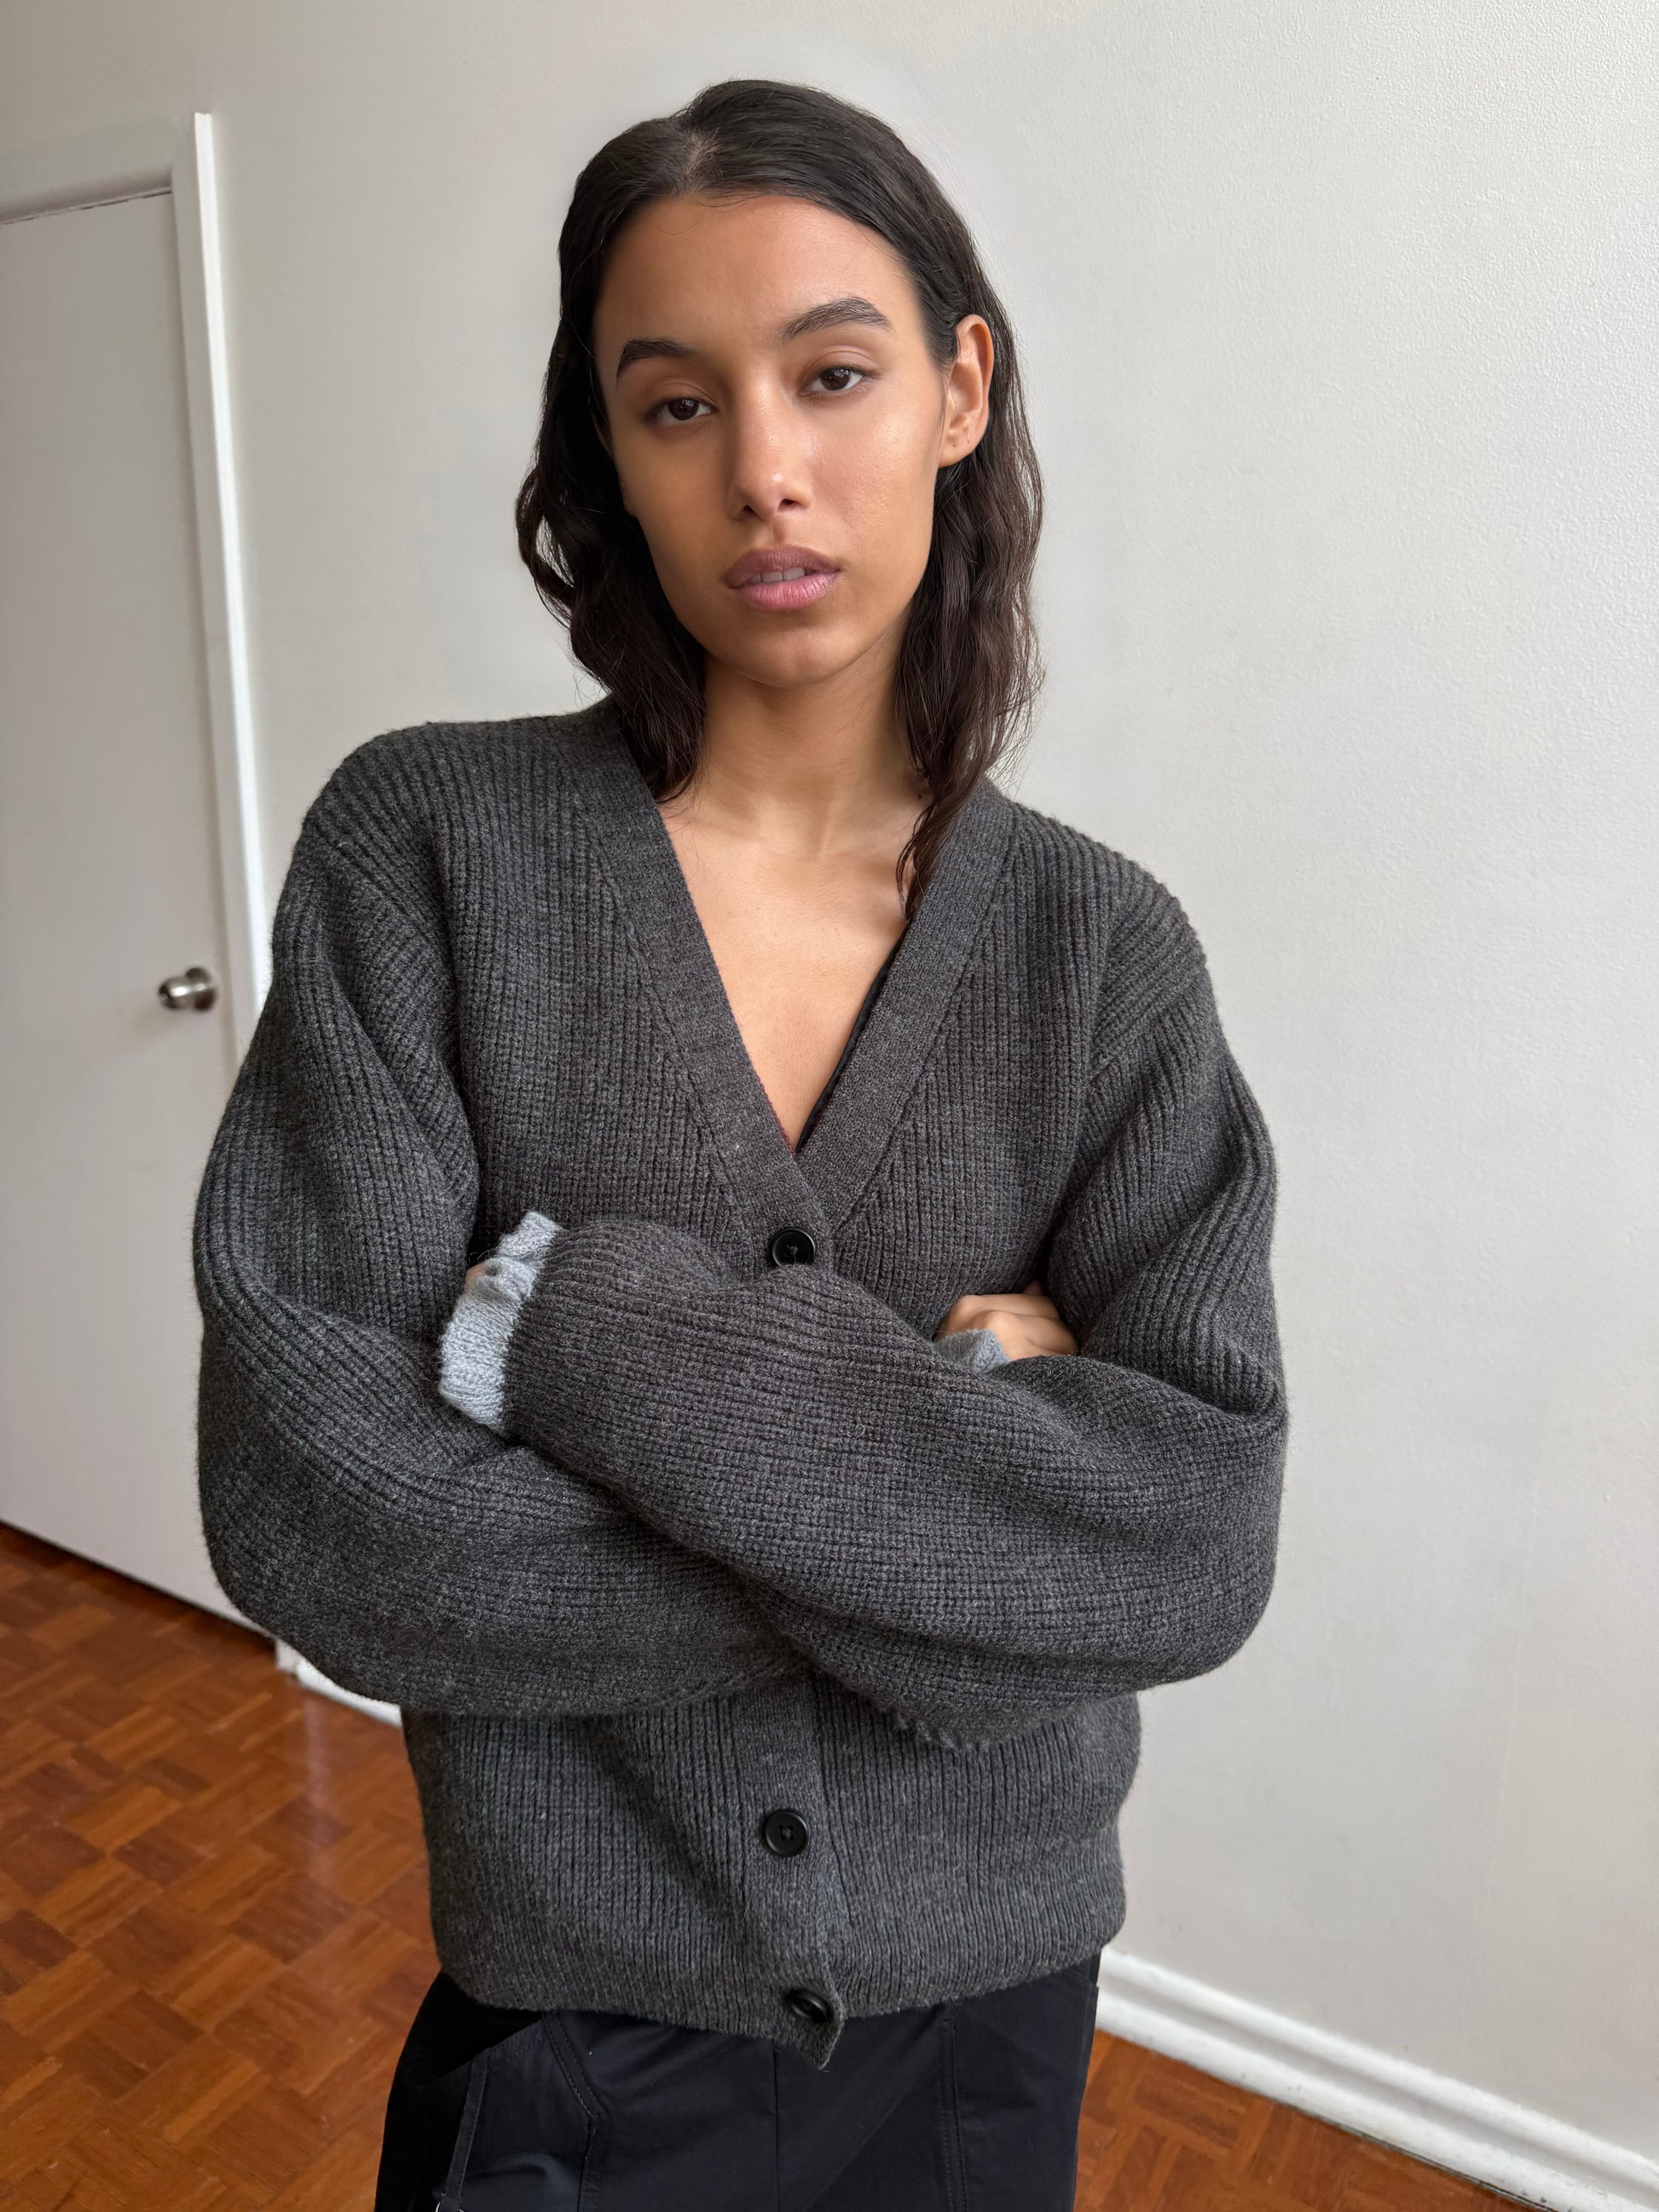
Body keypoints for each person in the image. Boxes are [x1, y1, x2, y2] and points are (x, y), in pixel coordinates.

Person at [191, 75, 1290, 2211]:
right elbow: (316, 1515)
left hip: (991, 2011)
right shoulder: (426, 853)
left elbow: (1193, 1539)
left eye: (834, 373)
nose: (766, 470)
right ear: (603, 450)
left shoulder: (1102, 954)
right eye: (674, 403)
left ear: (959, 387)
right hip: (569, 2019)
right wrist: (965, 1504)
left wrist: (583, 1337)